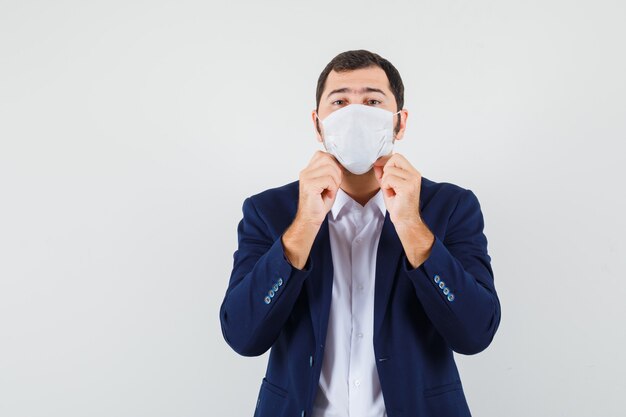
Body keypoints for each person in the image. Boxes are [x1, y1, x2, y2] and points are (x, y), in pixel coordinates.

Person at [219, 49, 501, 417]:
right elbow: (242, 335)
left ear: (400, 122)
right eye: (339, 102)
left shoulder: (451, 207)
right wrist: (304, 224)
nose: (355, 115)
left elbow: (476, 333)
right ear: (318, 123)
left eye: (372, 101)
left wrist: (412, 226)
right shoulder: (268, 211)